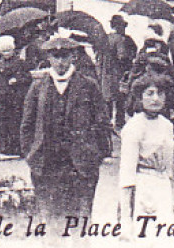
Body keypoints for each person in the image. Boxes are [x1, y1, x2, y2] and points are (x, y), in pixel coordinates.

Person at [20, 31, 110, 228]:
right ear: (49, 58)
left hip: (81, 167)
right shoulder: (38, 88)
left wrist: (96, 155)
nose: (60, 62)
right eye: (55, 57)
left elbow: (102, 122)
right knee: (52, 222)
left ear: (73, 57)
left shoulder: (88, 85)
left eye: (65, 56)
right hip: (47, 166)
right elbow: (26, 125)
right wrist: (31, 154)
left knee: (81, 222)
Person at [117, 74, 174, 237]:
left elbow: (169, 168)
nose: (155, 99)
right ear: (140, 97)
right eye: (150, 93)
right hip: (142, 187)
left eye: (160, 94)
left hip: (163, 187)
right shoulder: (134, 126)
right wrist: (125, 216)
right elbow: (127, 173)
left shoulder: (167, 125)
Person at [0, 35, 29, 161]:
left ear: (13, 50)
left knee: (15, 124)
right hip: (0, 97)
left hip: (15, 98)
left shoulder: (20, 63)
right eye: (3, 51)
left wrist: (17, 80)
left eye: (8, 51)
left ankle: (20, 149)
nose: (6, 54)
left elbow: (27, 78)